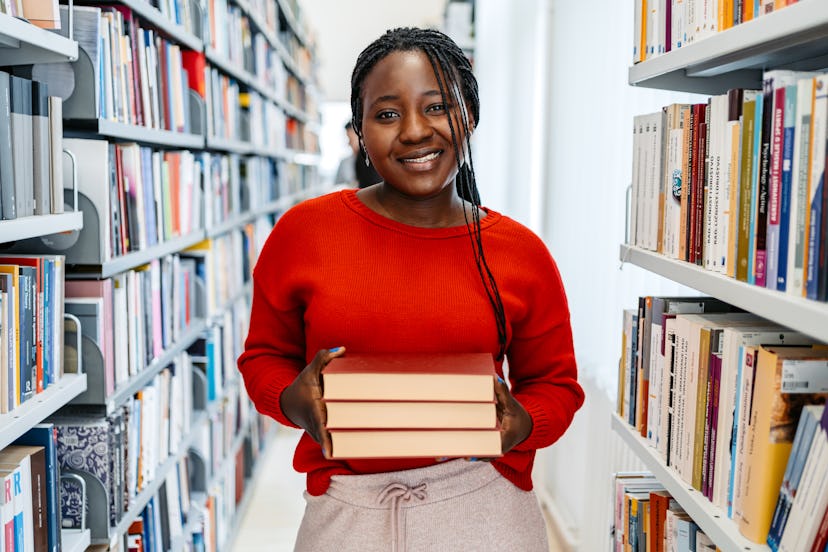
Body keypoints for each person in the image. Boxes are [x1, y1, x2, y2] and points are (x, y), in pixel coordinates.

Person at [238, 27, 584, 552]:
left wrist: (521, 423)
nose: (415, 132)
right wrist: (292, 399)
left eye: (437, 107)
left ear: (470, 115)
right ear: (357, 131)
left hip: (486, 511)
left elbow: (556, 385)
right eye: (387, 114)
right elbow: (264, 355)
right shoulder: (304, 233)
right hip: (346, 516)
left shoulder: (520, 253)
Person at [334, 121, 383, 188]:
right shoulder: (345, 162)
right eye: (348, 138)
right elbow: (336, 185)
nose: (348, 143)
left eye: (350, 139)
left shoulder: (370, 158)